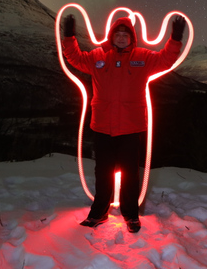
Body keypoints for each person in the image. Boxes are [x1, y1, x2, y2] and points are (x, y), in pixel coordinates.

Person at [61, 13, 186, 233]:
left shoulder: (143, 57)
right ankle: (99, 213)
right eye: (117, 34)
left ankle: (131, 216)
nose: (121, 37)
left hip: (130, 127)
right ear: (111, 36)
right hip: (102, 126)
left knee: (130, 174)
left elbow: (166, 59)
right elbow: (75, 58)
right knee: (103, 173)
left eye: (125, 34)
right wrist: (69, 36)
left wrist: (175, 38)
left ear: (132, 38)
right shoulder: (98, 57)